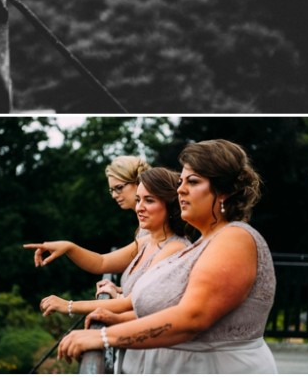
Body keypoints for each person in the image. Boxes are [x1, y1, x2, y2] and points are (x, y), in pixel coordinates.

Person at [56, 139, 277, 374]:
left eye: (193, 181)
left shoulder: (235, 238)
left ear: (224, 192)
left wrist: (104, 337)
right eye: (181, 181)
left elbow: (193, 317)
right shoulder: (202, 243)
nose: (180, 189)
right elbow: (165, 308)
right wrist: (118, 319)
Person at [30, 168, 191, 373]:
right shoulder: (146, 242)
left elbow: (131, 303)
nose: (139, 208)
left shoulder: (174, 248)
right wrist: (68, 247)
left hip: (155, 353)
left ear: (170, 206)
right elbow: (101, 263)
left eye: (149, 201)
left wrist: (69, 305)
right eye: (139, 200)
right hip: (134, 349)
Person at [24, 155, 152, 295]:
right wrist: (121, 290)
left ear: (138, 182)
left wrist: (68, 247)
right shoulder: (145, 225)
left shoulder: (154, 229)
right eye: (111, 190)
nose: (114, 195)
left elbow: (102, 263)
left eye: (119, 188)